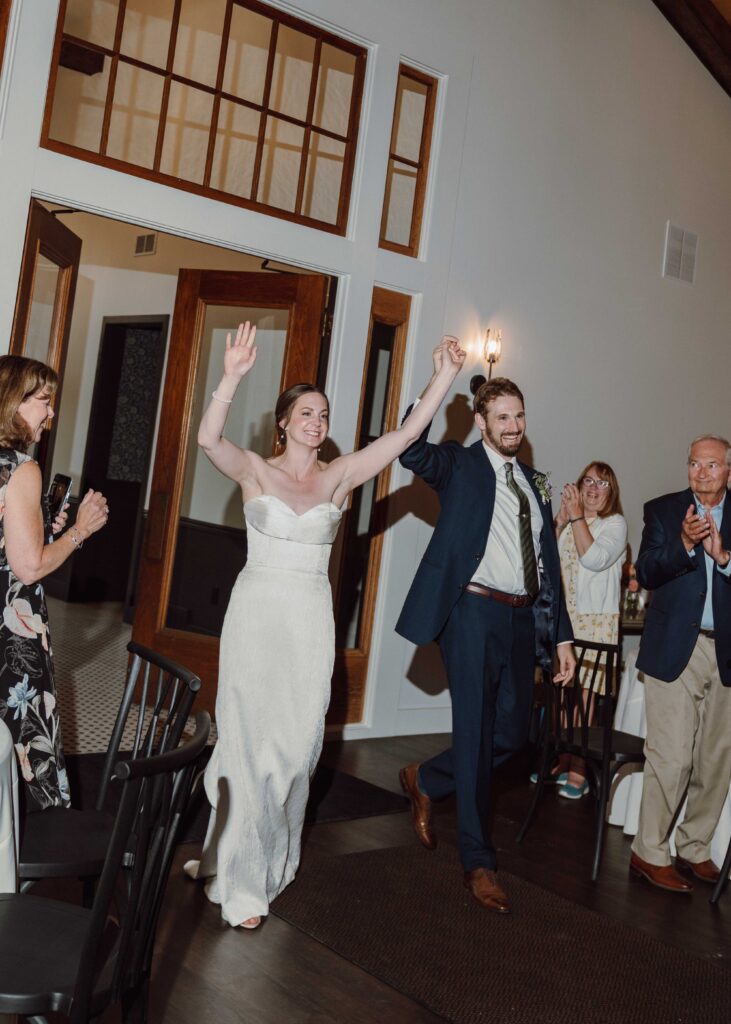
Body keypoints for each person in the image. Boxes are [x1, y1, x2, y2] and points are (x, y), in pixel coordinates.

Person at [184, 322, 465, 929]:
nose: (316, 421)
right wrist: (230, 376)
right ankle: (239, 879)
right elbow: (209, 440)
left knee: (292, 749)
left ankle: (249, 855)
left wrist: (444, 374)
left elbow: (406, 434)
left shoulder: (339, 475)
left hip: (310, 620)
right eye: (305, 412)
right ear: (284, 421)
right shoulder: (256, 469)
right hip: (256, 613)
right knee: (245, 741)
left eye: (324, 413)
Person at [396, 375, 575, 914]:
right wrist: (439, 377)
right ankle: (479, 862)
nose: (513, 426)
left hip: (522, 621)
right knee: (474, 733)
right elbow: (410, 445)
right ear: (481, 422)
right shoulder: (459, 466)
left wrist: (561, 634)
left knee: (514, 735)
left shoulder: (536, 482)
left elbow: (548, 562)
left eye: (519, 416)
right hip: (471, 612)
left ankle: (426, 777)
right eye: (502, 417)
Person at [0, 354, 108, 811]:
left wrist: (43, 525)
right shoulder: (21, 468)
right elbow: (28, 568)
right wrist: (79, 531)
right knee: (23, 743)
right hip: (10, 632)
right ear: (13, 403)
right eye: (44, 401)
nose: (50, 411)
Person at [630, 435, 731, 893]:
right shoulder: (664, 510)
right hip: (674, 649)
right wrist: (686, 545)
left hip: (725, 651)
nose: (701, 473)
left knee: (715, 760)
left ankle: (694, 847)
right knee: (671, 757)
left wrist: (723, 560)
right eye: (694, 464)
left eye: (712, 465)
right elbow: (647, 571)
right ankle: (649, 852)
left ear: (728, 470)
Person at [542, 462, 627, 798]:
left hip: (594, 623)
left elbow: (592, 558)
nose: (593, 488)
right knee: (561, 697)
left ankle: (579, 769)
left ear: (611, 492)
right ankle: (562, 761)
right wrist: (562, 519)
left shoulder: (614, 524)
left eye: (602, 483)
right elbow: (541, 557)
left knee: (585, 700)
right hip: (564, 621)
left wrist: (577, 518)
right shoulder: (571, 520)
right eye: (588, 481)